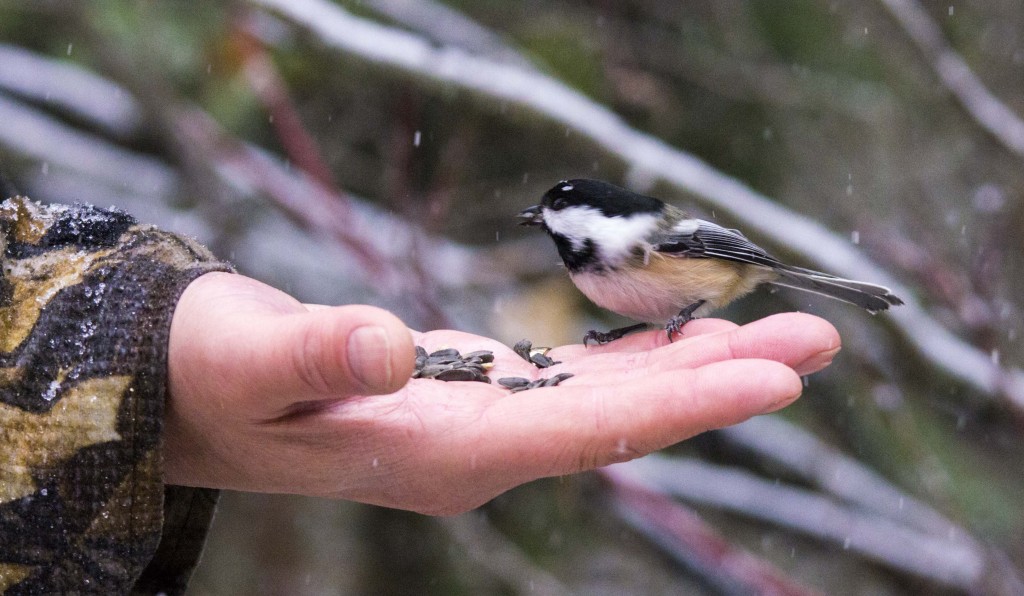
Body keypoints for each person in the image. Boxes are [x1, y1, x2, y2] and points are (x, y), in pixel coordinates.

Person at [0, 197, 840, 594]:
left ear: (591, 221)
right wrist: (170, 375)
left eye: (558, 218)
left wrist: (163, 367)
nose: (551, 234)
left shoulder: (648, 236)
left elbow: (715, 261)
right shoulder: (593, 259)